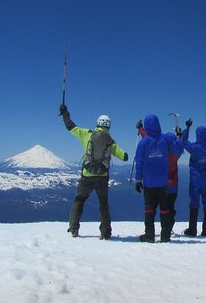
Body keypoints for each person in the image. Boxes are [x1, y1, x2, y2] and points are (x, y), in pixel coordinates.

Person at [59, 104, 128, 239]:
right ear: (108, 126)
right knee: (103, 204)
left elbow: (70, 126)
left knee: (79, 200)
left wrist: (65, 113)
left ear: (97, 123)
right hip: (102, 177)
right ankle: (105, 232)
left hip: (87, 175)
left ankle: (74, 229)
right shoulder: (110, 141)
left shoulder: (86, 134)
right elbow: (124, 156)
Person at [134, 114, 184, 243]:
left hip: (149, 183)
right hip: (163, 183)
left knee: (149, 209)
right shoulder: (165, 139)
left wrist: (138, 180)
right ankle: (165, 236)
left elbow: (139, 162)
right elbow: (178, 150)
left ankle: (149, 236)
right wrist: (180, 137)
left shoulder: (144, 142)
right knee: (165, 209)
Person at [182, 112, 206, 237]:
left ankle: (192, 229)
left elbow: (184, 141)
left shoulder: (193, 148)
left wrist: (187, 128)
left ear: (197, 135)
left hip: (195, 180)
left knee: (194, 203)